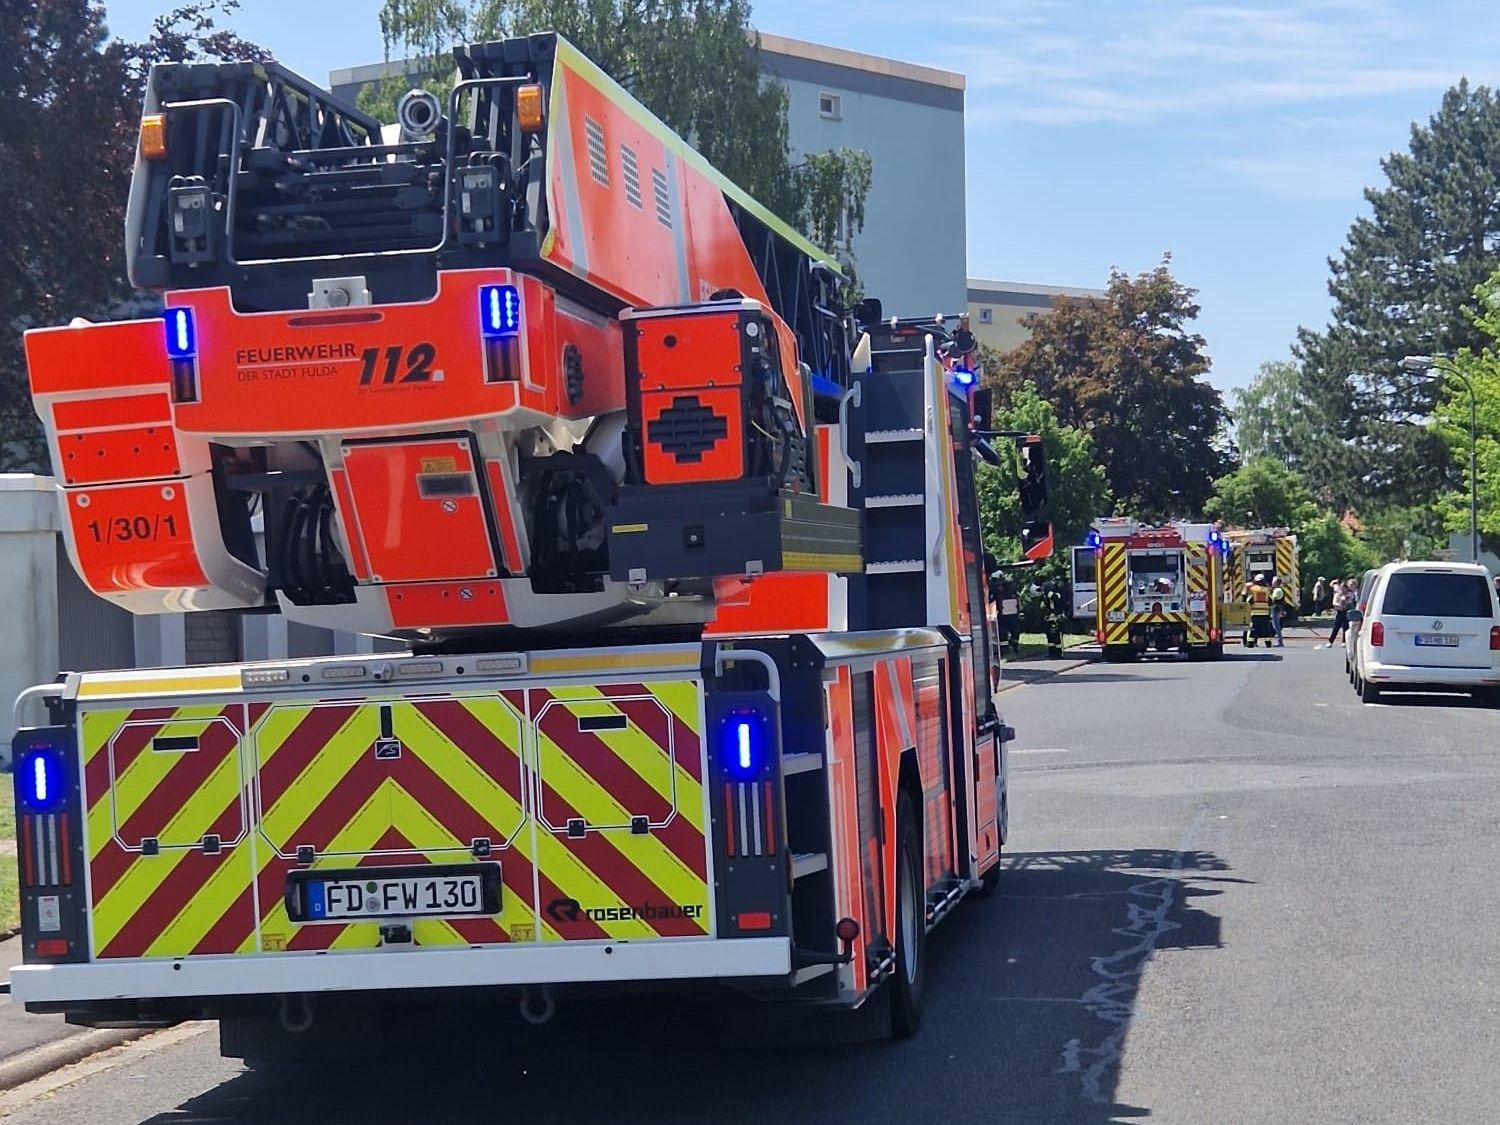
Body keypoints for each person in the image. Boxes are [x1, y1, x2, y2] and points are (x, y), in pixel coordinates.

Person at [1245, 573, 1272, 647]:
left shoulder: (1253, 589)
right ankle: (1268, 643)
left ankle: (1250, 643)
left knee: (1253, 629)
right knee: (1266, 629)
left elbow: (1249, 601)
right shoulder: (1267, 590)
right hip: (1265, 613)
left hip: (1255, 613)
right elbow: (1270, 601)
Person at [1324, 578, 1351, 647]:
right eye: (1341, 588)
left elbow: (1350, 603)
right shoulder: (1337, 595)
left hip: (1347, 612)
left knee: (1346, 627)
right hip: (1340, 612)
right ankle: (1330, 641)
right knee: (1336, 627)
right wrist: (1341, 604)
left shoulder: (1349, 594)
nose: (1342, 590)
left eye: (1344, 588)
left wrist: (1346, 601)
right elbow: (1335, 604)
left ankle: (1344, 641)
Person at [1269, 575, 1289, 647]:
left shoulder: (1277, 590)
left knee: (1276, 626)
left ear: (1276, 582)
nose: (1272, 582)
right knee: (1275, 625)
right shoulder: (1278, 589)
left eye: (1273, 581)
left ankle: (1280, 641)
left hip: (1276, 609)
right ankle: (1279, 641)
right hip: (1277, 609)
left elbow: (1273, 600)